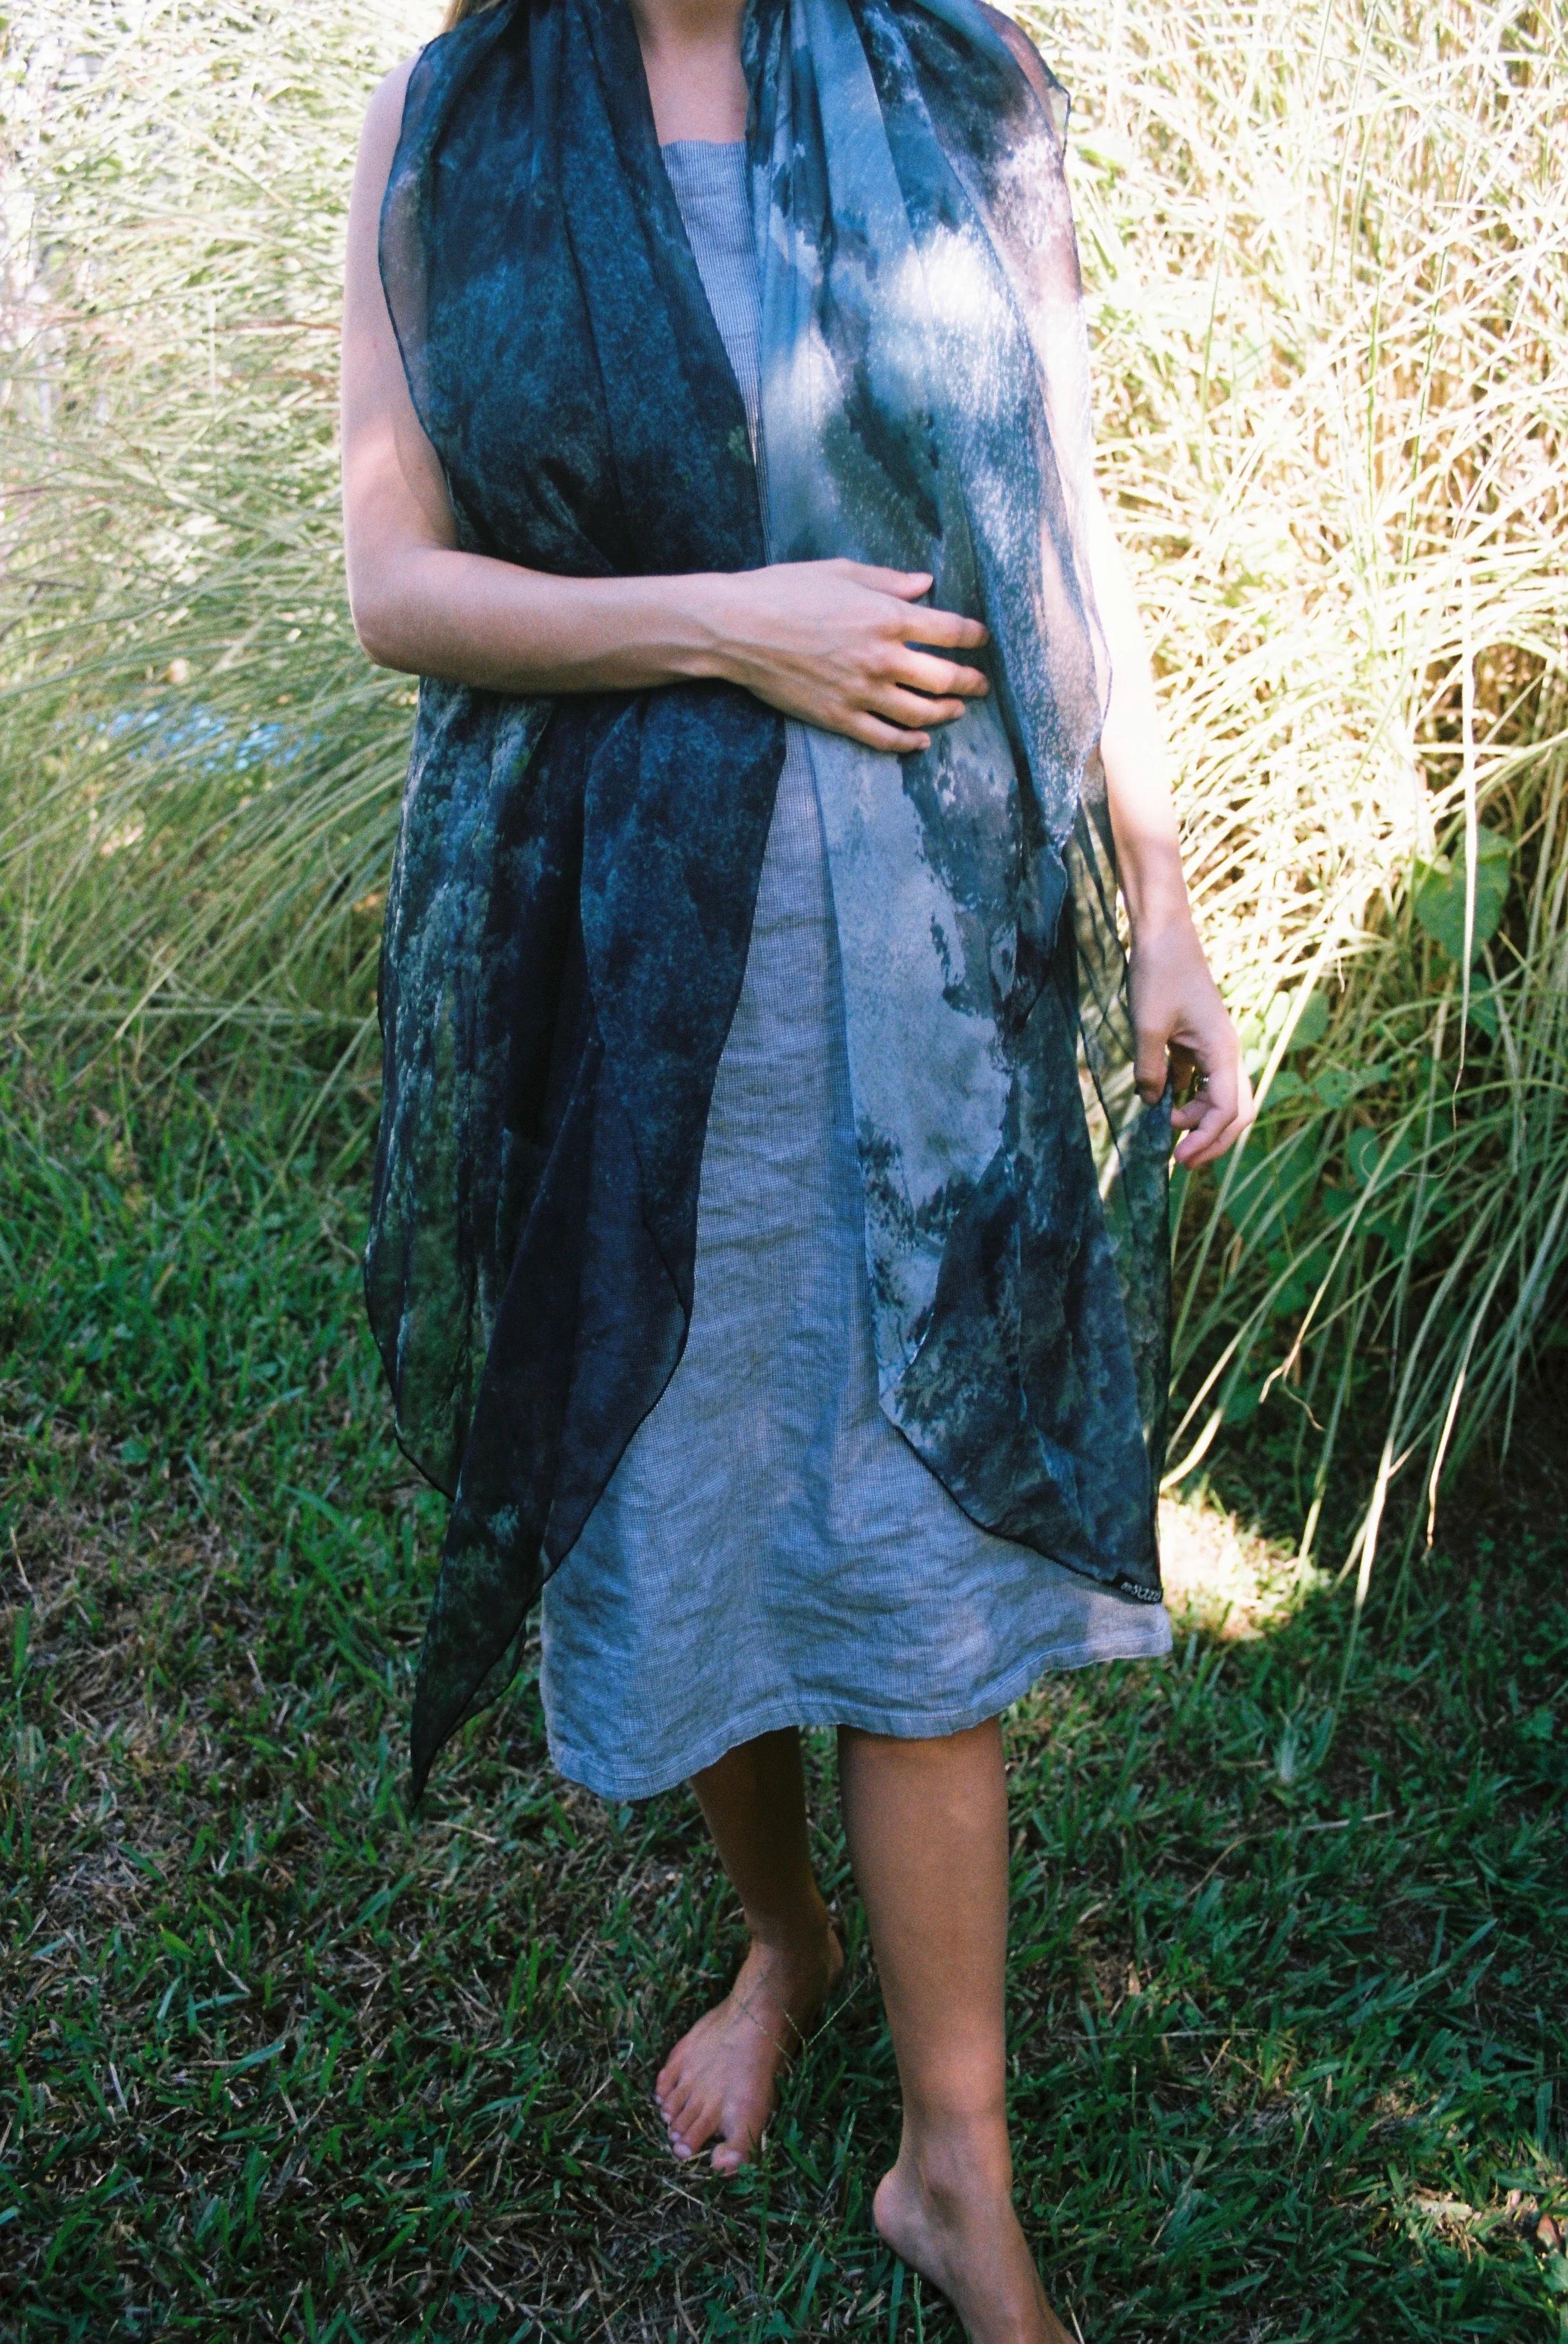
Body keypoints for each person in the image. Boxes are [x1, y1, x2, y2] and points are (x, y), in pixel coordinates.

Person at [341, 0, 1252, 2333]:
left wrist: (1153, 885)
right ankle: (785, 1940)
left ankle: (959, 2162)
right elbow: (398, 584)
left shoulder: (959, 80)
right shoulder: (453, 110)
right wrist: (733, 627)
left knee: (917, 1538)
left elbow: (1053, 518)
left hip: (921, 947)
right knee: (683, 1485)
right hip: (620, 943)